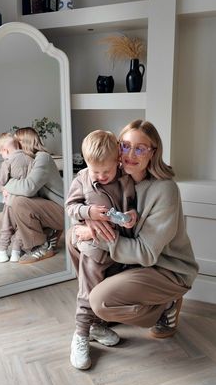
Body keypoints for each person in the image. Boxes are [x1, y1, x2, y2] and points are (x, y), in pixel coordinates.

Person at [67, 119, 199, 370]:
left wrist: (96, 235)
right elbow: (80, 209)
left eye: (140, 148)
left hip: (165, 268)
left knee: (101, 301)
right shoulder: (115, 179)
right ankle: (93, 322)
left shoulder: (165, 190)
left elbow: (147, 253)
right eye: (126, 146)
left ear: (153, 153)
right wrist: (86, 222)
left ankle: (164, 307)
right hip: (132, 263)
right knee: (76, 241)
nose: (130, 154)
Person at [65, 130, 137, 370]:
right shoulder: (83, 179)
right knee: (88, 291)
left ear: (118, 159)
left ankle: (97, 326)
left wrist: (130, 216)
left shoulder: (126, 180)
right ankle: (81, 335)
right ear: (87, 164)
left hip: (118, 248)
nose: (102, 176)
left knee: (107, 291)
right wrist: (88, 213)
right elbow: (71, 207)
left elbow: (134, 207)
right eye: (96, 171)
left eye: (107, 170)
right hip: (94, 249)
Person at [0, 127, 64, 264]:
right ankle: (47, 234)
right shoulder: (26, 160)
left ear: (23, 142)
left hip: (61, 210)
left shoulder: (43, 157)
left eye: (16, 142)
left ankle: (41, 247)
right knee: (1, 219)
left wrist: (6, 184)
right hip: (42, 208)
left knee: (20, 202)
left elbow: (28, 188)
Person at [0, 132, 34, 263]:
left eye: (1, 154)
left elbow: (2, 180)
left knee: (7, 226)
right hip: (27, 201)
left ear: (5, 150)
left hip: (11, 202)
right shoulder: (30, 159)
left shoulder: (8, 161)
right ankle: (15, 252)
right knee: (21, 226)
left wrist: (1, 180)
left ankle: (2, 251)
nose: (2, 156)